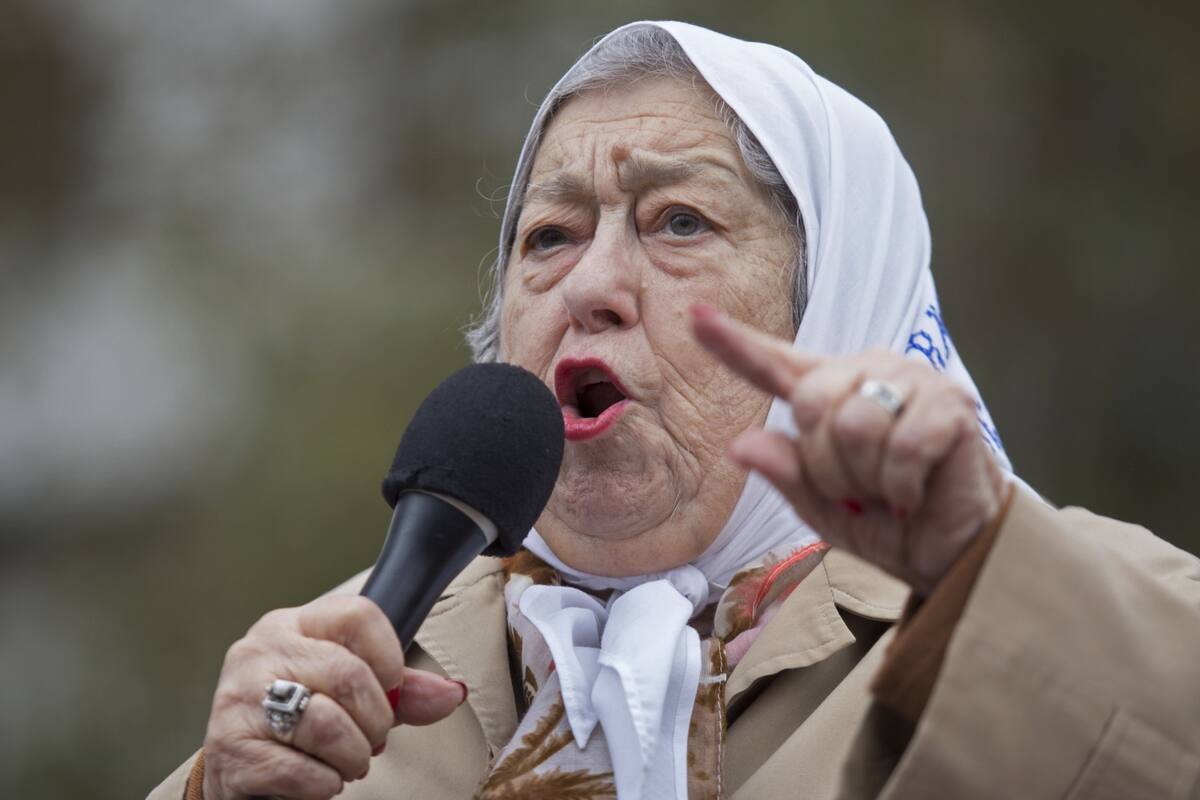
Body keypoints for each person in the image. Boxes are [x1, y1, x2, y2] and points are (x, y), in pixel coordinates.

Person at [149, 21, 1200, 800]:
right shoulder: (341, 674)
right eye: (551, 234)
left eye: (679, 220)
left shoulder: (1057, 600)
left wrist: (980, 574)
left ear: (835, 307)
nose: (590, 284)